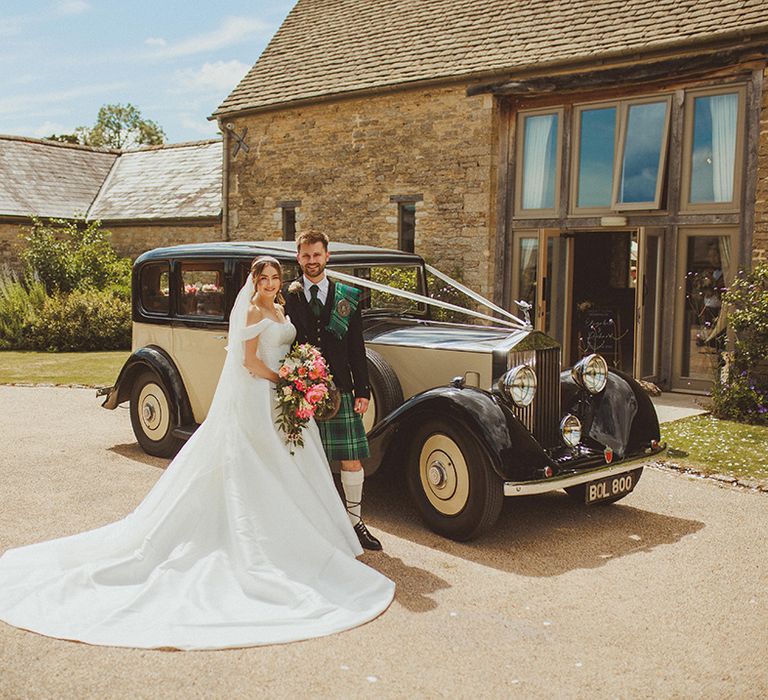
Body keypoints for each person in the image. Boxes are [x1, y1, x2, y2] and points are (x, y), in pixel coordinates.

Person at [0, 256, 394, 650]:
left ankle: (312, 535)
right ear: (254, 282)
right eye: (264, 278)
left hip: (283, 398)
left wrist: (301, 375)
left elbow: (295, 344)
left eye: (276, 277)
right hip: (262, 395)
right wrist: (287, 378)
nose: (272, 283)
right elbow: (249, 361)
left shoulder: (282, 305)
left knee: (292, 465)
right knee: (258, 465)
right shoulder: (256, 309)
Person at [283, 231, 382, 551]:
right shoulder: (288, 296)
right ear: (298, 259)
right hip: (301, 390)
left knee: (351, 460)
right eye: (306, 256)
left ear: (327, 256)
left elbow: (357, 347)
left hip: (340, 387)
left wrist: (363, 389)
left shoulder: (346, 295)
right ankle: (314, 525)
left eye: (317, 255)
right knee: (307, 461)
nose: (311, 261)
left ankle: (355, 524)